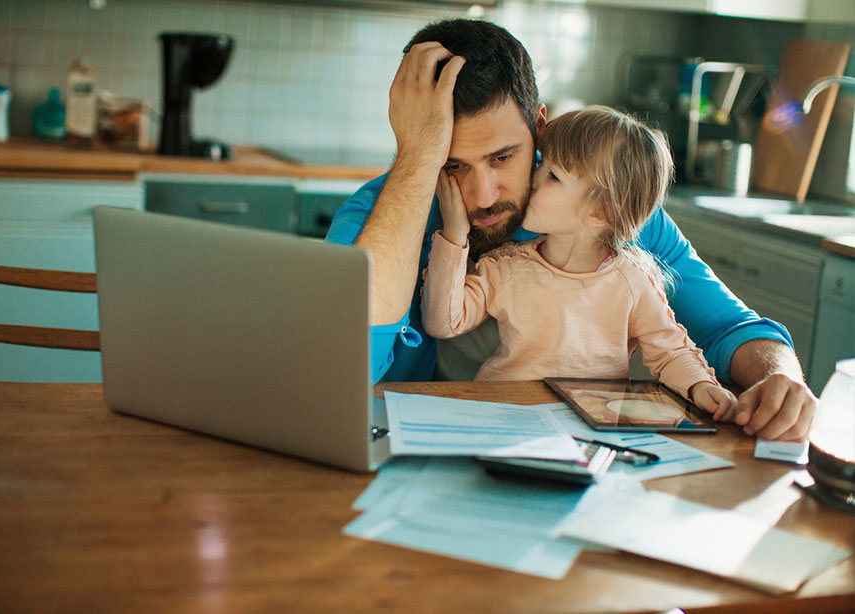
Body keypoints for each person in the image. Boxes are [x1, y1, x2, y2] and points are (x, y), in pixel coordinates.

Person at [326, 18, 816, 441]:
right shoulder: (375, 214)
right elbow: (341, 370)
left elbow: (729, 326)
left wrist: (782, 382)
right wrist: (417, 158)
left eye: (503, 157)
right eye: (451, 165)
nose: (484, 195)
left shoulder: (600, 206)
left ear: (540, 128)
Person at [421, 105, 737, 420]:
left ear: (602, 213)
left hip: (591, 429)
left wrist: (700, 386)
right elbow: (443, 322)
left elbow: (672, 352)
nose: (533, 180)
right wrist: (454, 234)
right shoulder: (505, 266)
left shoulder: (634, 281)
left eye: (553, 176)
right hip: (504, 416)